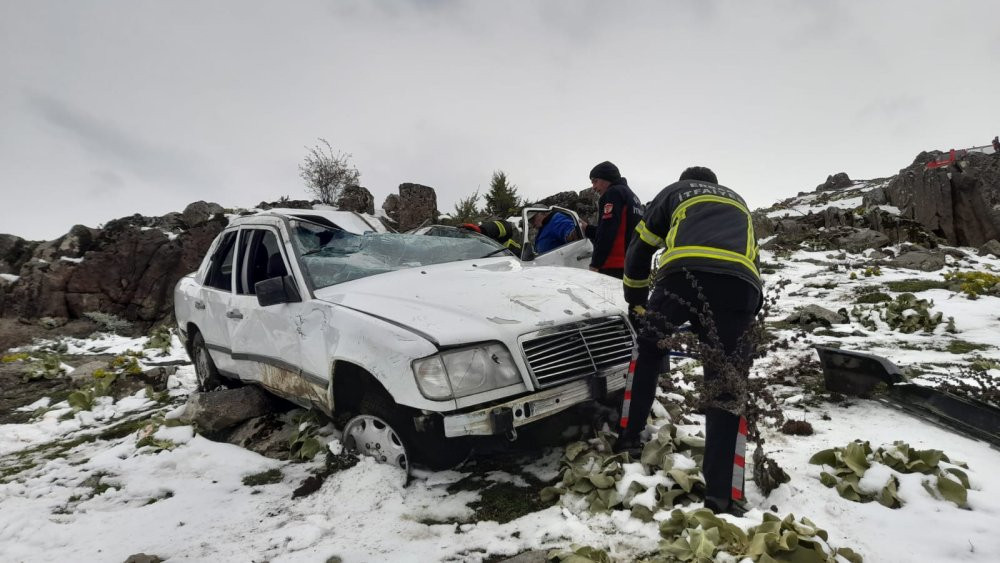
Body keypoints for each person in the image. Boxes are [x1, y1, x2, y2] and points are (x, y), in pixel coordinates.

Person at [616, 166, 762, 516]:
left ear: (687, 180)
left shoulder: (674, 192)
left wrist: (636, 303)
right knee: (728, 382)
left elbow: (640, 249)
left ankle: (629, 437)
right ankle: (724, 497)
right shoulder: (739, 202)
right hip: (740, 286)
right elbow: (752, 263)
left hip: (683, 274)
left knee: (648, 351)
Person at [582, 161, 643, 278]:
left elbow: (607, 231)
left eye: (595, 181)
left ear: (606, 178)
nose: (593, 187)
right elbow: (619, 228)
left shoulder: (612, 193)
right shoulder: (633, 197)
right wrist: (587, 229)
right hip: (631, 263)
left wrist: (595, 264)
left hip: (613, 265)